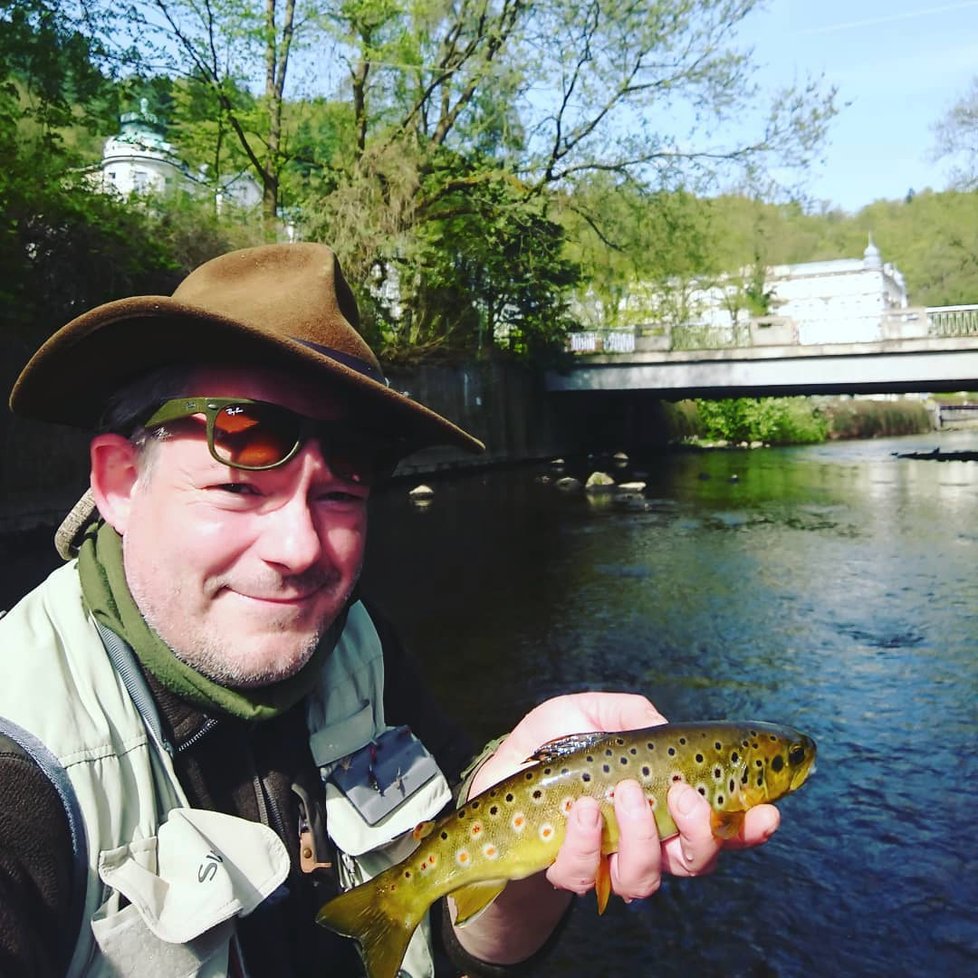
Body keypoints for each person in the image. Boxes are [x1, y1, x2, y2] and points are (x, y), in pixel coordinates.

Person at [0, 243, 779, 977]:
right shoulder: (19, 769)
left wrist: (524, 868)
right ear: (119, 484)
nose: (299, 549)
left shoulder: (354, 647)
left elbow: (454, 936)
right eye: (238, 488)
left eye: (340, 494)